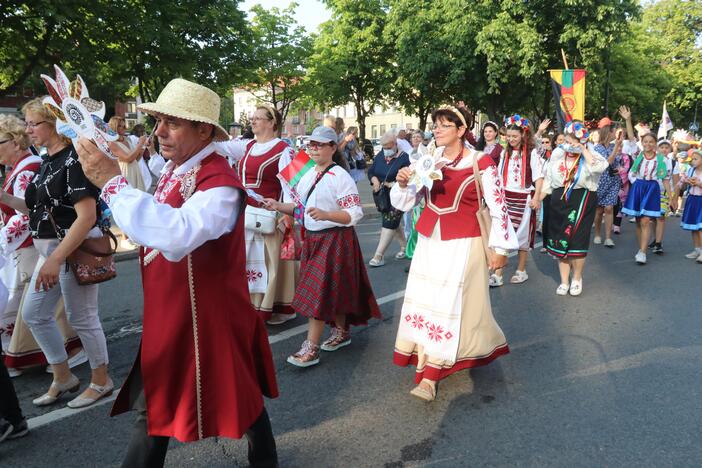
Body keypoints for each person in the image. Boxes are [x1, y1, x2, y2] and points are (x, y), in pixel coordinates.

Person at [75, 78, 279, 468]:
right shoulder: (179, 167)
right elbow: (148, 226)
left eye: (173, 123)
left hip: (205, 317)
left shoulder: (219, 183)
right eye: (158, 122)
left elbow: (177, 233)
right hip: (179, 312)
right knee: (204, 394)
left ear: (204, 130)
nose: (159, 133)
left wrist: (113, 184)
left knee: (195, 400)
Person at [390, 105, 517, 401]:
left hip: (464, 243)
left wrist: (500, 249)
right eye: (436, 124)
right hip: (430, 241)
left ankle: (431, 375)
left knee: (448, 305)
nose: (437, 129)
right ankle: (426, 359)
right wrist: (404, 182)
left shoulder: (481, 161)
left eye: (445, 125)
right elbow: (407, 202)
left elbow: (498, 207)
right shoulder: (429, 160)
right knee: (425, 303)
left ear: (461, 131)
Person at [0, 98, 112, 409]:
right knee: (34, 314)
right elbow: (34, 207)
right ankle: (63, 376)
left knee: (83, 317)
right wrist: (5, 197)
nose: (28, 129)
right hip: (50, 250)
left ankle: (102, 380)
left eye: (34, 123)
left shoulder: (74, 160)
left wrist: (55, 258)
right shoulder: (47, 160)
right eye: (27, 123)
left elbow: (86, 216)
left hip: (71, 251)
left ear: (55, 125)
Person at [263, 126, 381, 367]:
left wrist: (327, 214)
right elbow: (301, 209)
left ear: (332, 147)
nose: (313, 149)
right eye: (310, 145)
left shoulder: (341, 176)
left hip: (336, 239)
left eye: (319, 144)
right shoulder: (306, 175)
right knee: (329, 289)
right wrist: (277, 205)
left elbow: (354, 214)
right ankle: (341, 331)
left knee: (317, 292)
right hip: (314, 240)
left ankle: (311, 347)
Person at [214, 105, 298, 326]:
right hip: (244, 214)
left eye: (259, 118)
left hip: (268, 216)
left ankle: (272, 306)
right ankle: (248, 306)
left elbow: (293, 186)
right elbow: (217, 147)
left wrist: (286, 211)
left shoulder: (284, 150)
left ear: (272, 123)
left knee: (266, 263)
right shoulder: (247, 146)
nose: (253, 121)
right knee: (245, 261)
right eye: (252, 118)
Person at [540, 121, 608, 296]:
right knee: (559, 238)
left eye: (574, 141)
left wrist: (584, 150)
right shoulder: (557, 153)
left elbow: (600, 167)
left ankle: (577, 277)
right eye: (568, 140)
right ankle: (564, 280)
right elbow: (548, 178)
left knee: (577, 238)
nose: (570, 144)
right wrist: (538, 198)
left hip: (582, 198)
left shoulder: (590, 153)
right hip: (559, 198)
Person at [490, 115, 549, 286]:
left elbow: (539, 177)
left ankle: (521, 270)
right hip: (506, 197)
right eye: (508, 136)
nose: (511, 139)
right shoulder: (504, 152)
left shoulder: (531, 153)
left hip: (524, 198)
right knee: (503, 234)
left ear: (523, 135)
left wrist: (537, 197)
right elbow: (499, 176)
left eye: (514, 136)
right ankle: (498, 273)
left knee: (522, 236)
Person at [622, 130, 677, 264]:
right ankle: (642, 246)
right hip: (639, 187)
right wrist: (628, 120)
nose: (648, 144)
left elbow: (665, 179)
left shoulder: (661, 159)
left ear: (655, 144)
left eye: (651, 141)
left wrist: (671, 197)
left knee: (646, 220)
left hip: (652, 188)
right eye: (645, 141)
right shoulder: (639, 155)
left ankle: (642, 252)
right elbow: (631, 138)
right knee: (639, 221)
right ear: (642, 143)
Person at [593, 108, 637, 247]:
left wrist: (620, 169)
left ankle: (608, 237)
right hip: (600, 183)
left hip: (613, 182)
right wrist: (616, 147)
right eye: (614, 131)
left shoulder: (616, 146)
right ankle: (598, 234)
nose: (616, 134)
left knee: (609, 209)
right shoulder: (598, 148)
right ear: (609, 132)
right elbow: (607, 162)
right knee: (599, 210)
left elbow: (617, 162)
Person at [367, 131, 411, 267]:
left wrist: (393, 184)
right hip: (383, 196)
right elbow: (372, 171)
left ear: (395, 144)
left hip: (399, 195)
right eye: (383, 147)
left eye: (387, 146)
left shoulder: (405, 158)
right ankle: (405, 247)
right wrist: (374, 180)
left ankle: (378, 255)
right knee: (394, 223)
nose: (385, 150)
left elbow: (408, 178)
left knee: (389, 222)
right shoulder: (381, 155)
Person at [646, 138, 679, 254]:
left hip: (665, 193)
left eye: (666, 147)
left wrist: (674, 198)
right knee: (652, 218)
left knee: (660, 217)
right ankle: (655, 239)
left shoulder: (674, 162)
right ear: (657, 148)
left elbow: (675, 182)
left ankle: (659, 243)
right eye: (662, 147)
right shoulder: (652, 160)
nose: (664, 149)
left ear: (670, 149)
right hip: (652, 192)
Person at [108, 116, 147, 192]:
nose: (123, 128)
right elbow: (128, 159)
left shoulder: (127, 139)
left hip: (135, 170)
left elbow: (136, 159)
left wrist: (143, 146)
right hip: (125, 173)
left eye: (124, 126)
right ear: (114, 127)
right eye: (120, 126)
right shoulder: (111, 143)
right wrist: (140, 144)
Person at [680, 149, 702, 262]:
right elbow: (683, 186)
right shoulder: (691, 171)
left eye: (696, 159)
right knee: (694, 227)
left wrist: (698, 183)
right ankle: (697, 249)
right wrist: (686, 181)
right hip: (692, 199)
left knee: (700, 227)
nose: (693, 161)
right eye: (692, 159)